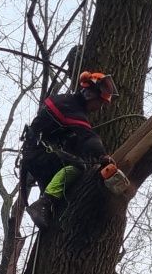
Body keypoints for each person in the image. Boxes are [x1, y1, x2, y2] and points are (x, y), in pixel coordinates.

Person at [21, 71, 119, 230]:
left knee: (63, 195)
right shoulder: (71, 109)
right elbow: (88, 138)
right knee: (78, 166)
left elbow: (75, 138)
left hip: (39, 155)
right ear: (89, 95)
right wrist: (103, 156)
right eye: (100, 103)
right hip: (39, 155)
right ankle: (43, 204)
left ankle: (46, 211)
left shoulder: (67, 103)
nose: (99, 108)